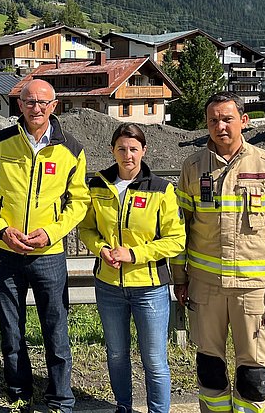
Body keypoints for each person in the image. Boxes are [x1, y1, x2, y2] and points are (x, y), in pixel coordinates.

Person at [172, 92, 265, 413]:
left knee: (253, 375)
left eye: (227, 118)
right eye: (214, 120)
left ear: (243, 121)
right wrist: (180, 277)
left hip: (254, 289)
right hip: (205, 287)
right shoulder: (193, 167)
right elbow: (179, 228)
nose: (221, 126)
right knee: (210, 370)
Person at [0, 79, 90, 413]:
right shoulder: (1, 143)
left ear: (54, 105)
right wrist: (0, 229)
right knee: (11, 330)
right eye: (29, 101)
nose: (36, 108)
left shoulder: (71, 148)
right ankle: (19, 392)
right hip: (6, 253)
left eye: (43, 102)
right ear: (19, 105)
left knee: (55, 330)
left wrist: (52, 233)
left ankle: (60, 398)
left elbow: (78, 202)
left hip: (48, 255)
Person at [78, 123, 185, 413]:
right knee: (116, 354)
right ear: (112, 150)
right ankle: (123, 406)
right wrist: (101, 249)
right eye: (122, 149)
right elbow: (86, 229)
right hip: (109, 286)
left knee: (154, 359)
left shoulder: (162, 189)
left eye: (134, 149)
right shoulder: (98, 184)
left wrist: (134, 254)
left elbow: (176, 240)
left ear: (144, 151)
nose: (128, 155)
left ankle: (158, 411)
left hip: (149, 288)